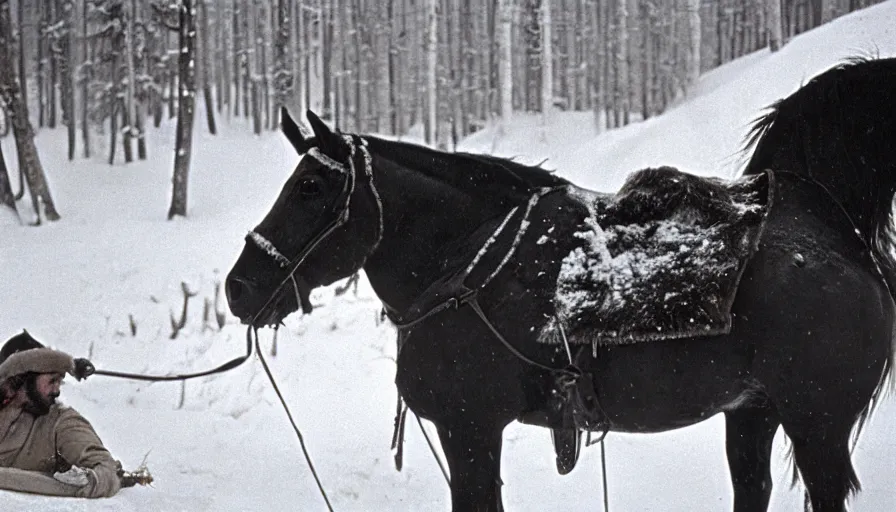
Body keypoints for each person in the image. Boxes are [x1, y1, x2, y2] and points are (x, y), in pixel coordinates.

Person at [0, 330, 121, 498]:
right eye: (51, 381)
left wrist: (79, 483)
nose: (57, 391)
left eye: (59, 381)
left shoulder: (62, 421)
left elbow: (105, 472)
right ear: (23, 377)